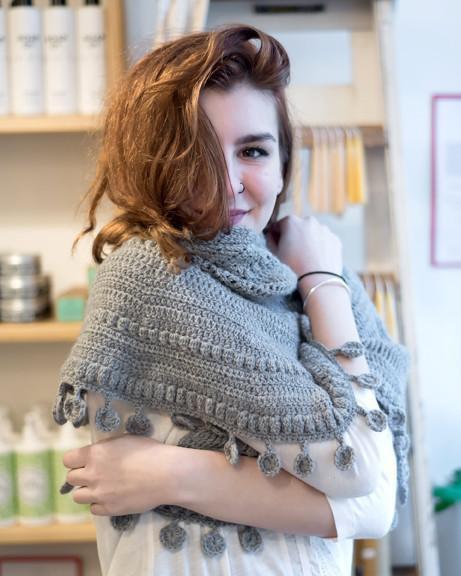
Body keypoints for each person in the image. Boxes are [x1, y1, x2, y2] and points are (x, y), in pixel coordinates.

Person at [53, 24, 410, 576]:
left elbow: (377, 501)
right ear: (153, 164)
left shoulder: (305, 273)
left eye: (253, 151)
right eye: (194, 155)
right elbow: (358, 467)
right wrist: (324, 284)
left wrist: (171, 474)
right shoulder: (155, 276)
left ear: (282, 163)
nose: (227, 184)